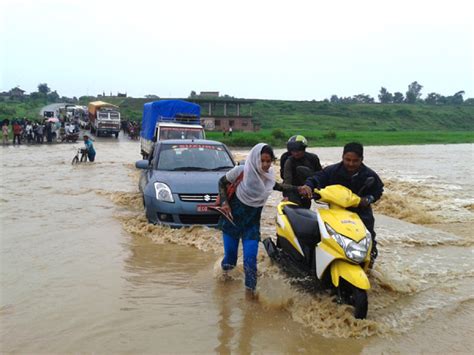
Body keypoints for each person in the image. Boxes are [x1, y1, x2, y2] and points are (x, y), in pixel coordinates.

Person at [218, 143, 309, 295]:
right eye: (262, 161)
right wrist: (224, 203)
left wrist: (298, 188)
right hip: (232, 220)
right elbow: (221, 182)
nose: (266, 165)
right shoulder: (241, 171)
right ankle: (223, 280)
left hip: (251, 225)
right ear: (255, 159)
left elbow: (279, 186)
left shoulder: (268, 177)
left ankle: (250, 294)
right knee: (230, 261)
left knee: (250, 261)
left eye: (269, 161)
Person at [303, 142, 384, 267]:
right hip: (335, 213)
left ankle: (369, 267)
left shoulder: (369, 175)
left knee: (369, 242)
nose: (351, 164)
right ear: (342, 157)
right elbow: (317, 178)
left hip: (361, 213)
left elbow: (378, 191)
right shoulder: (332, 171)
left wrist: (368, 199)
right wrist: (308, 186)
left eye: (355, 161)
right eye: (348, 160)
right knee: (319, 236)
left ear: (362, 159)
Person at [281, 135, 322, 208]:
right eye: (293, 151)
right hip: (292, 189)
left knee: (306, 208)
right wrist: (286, 195)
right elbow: (287, 180)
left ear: (304, 149)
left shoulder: (312, 158)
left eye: (298, 150)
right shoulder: (287, 160)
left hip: (307, 188)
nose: (295, 153)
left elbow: (320, 175)